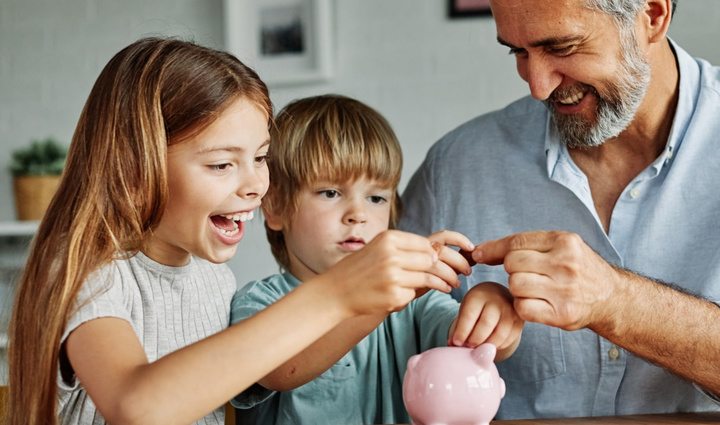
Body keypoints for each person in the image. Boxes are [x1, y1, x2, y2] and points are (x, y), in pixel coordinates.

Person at [6, 39, 458, 425]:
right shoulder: (83, 272)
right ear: (135, 168)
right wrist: (338, 293)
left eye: (260, 158)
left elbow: (279, 368)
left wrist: (382, 295)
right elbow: (135, 407)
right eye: (222, 164)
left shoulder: (212, 279)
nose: (256, 185)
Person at [400, 0, 720, 420]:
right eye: (519, 52)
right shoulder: (455, 166)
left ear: (652, 16)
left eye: (562, 47)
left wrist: (615, 302)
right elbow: (386, 350)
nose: (538, 86)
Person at [229, 94, 524, 425]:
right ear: (275, 207)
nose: (358, 214)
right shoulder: (257, 303)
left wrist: (491, 310)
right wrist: (379, 302)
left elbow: (476, 346)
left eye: (376, 198)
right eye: (330, 193)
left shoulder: (414, 307)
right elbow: (279, 371)